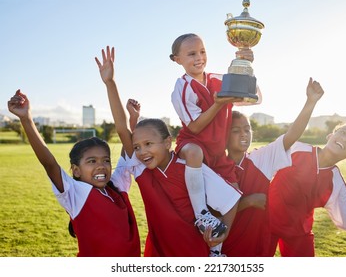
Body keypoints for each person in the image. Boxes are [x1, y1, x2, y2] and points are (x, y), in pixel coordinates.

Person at [95, 46, 241, 257]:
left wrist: (221, 237)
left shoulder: (191, 168)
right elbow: (121, 127)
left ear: (167, 142)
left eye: (148, 144)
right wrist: (110, 83)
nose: (142, 152)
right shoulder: (141, 168)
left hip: (195, 255)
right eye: (137, 147)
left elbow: (230, 201)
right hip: (160, 254)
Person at [7, 90, 141, 257]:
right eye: (92, 161)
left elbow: (128, 149)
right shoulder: (76, 194)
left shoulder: (118, 186)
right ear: (76, 170)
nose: (101, 166)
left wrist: (133, 120)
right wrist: (26, 119)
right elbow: (49, 164)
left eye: (105, 160)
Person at [170, 33, 261, 256]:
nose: (199, 57)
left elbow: (254, 98)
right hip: (192, 144)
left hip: (218, 154)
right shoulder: (181, 88)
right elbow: (194, 128)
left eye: (202, 51)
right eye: (191, 54)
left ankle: (216, 249)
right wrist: (219, 104)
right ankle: (201, 212)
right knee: (194, 152)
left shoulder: (220, 79)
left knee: (234, 196)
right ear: (177, 59)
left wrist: (246, 67)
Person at [223, 77, 324, 256]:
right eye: (236, 131)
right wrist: (248, 202)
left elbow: (291, 136)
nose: (244, 134)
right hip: (226, 246)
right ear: (224, 135)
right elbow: (211, 215)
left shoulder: (260, 158)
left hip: (257, 245)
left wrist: (310, 102)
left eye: (247, 129)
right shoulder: (216, 167)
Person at [268, 123, 346, 257]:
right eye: (343, 132)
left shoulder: (335, 182)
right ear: (330, 136)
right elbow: (261, 165)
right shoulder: (296, 149)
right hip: (264, 222)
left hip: (298, 232)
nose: (345, 139)